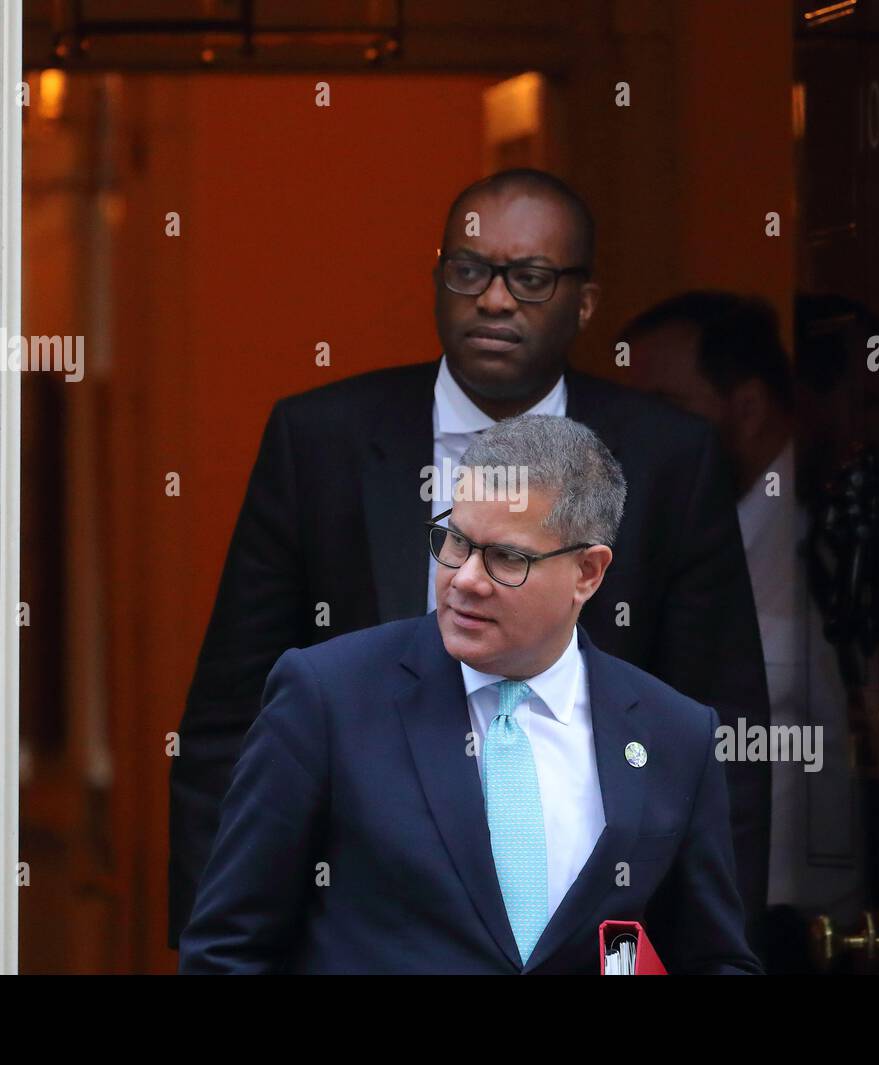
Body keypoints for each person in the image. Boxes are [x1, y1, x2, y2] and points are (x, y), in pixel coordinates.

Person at [169, 168, 770, 950]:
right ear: (437, 281)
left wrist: (731, 943)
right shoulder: (320, 440)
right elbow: (227, 717)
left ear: (584, 303)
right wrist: (208, 939)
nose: (493, 299)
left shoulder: (668, 457)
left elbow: (722, 732)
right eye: (468, 270)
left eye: (530, 278)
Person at [178, 415, 761, 974]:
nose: (464, 579)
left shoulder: (674, 734)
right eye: (455, 542)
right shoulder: (328, 697)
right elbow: (229, 946)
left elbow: (711, 957)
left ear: (588, 572)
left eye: (507, 558)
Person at [625, 292, 866, 969]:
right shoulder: (710, 529)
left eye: (664, 409)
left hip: (816, 932)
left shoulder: (816, 528)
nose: (640, 438)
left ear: (750, 407)